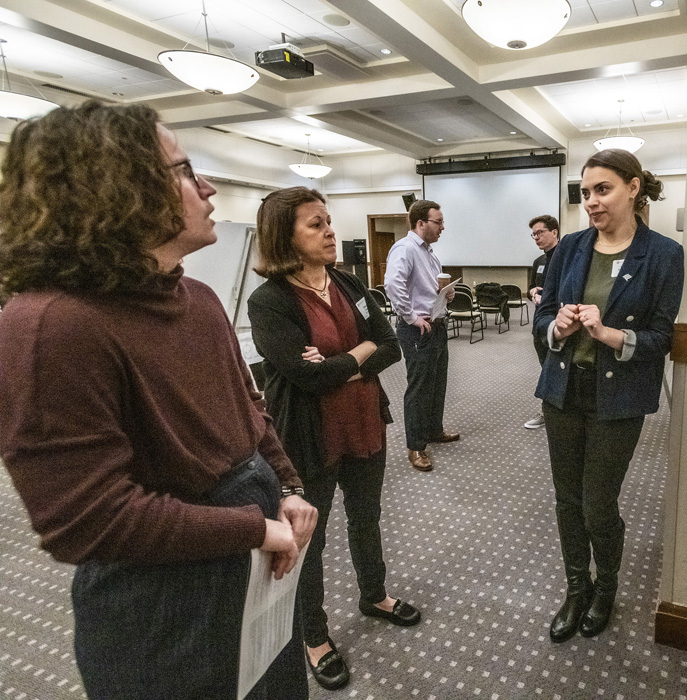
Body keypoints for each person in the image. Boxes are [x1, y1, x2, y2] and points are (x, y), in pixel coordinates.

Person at [0, 102, 317, 699]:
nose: (208, 187)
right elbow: (88, 522)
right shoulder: (50, 324)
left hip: (248, 555)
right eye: (185, 170)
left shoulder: (198, 298)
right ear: (117, 187)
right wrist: (252, 528)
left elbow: (250, 410)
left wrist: (289, 486)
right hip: (164, 603)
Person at [248, 187, 422, 691]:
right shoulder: (269, 301)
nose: (330, 232)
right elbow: (307, 378)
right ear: (285, 237)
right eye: (316, 224)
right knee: (312, 540)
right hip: (310, 437)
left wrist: (344, 360)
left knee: (367, 518)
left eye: (328, 220)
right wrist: (358, 357)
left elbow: (390, 346)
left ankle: (374, 594)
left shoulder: (348, 283)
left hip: (364, 423)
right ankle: (315, 635)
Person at [534, 149, 684, 643]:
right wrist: (556, 327)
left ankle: (606, 588)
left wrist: (610, 334)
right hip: (564, 390)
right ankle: (576, 588)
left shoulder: (663, 254)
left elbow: (662, 337)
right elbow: (544, 315)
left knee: (598, 503)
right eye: (585, 193)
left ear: (633, 187)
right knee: (567, 500)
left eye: (603, 189)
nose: (592, 202)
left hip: (617, 398)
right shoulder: (570, 247)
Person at [383, 199, 459, 471]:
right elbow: (393, 284)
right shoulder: (405, 248)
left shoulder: (429, 253)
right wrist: (411, 316)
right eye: (438, 222)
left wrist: (446, 293)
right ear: (420, 223)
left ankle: (433, 430)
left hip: (437, 324)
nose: (442, 227)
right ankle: (415, 446)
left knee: (437, 382)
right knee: (419, 388)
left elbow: (428, 287)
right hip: (418, 329)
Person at [524, 214, 560, 429]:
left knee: (556, 369)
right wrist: (532, 293)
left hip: (558, 324)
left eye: (540, 232)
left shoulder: (566, 257)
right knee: (546, 369)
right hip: (540, 324)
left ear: (554, 232)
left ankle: (551, 412)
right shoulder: (539, 261)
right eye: (534, 234)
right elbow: (531, 288)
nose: (536, 237)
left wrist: (545, 296)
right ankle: (550, 410)